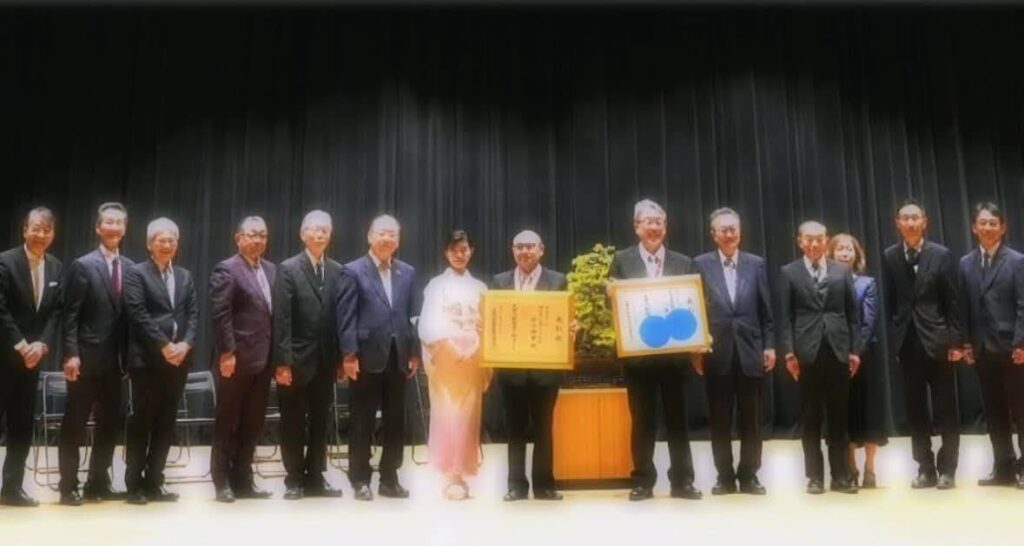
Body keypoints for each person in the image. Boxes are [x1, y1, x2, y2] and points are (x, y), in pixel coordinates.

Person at [607, 199, 702, 501]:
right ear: (636, 227)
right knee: (642, 421)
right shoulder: (621, 261)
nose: (653, 228)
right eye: (647, 222)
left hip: (675, 357)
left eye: (658, 222)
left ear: (665, 227)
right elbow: (612, 306)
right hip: (638, 358)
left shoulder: (683, 262)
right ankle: (642, 480)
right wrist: (610, 293)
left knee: (678, 420)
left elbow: (696, 305)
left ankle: (682, 481)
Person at [338, 214, 422, 501]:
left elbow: (412, 316)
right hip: (365, 356)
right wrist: (348, 354)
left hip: (398, 357)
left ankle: (390, 478)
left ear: (398, 240)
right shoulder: (352, 271)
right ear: (370, 237)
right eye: (382, 233)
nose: (387, 239)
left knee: (396, 420)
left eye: (392, 234)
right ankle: (360, 479)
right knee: (362, 420)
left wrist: (414, 352)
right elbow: (346, 317)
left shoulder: (407, 272)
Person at [881, 199, 962, 490]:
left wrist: (955, 341)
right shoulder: (890, 256)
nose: (911, 223)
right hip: (908, 343)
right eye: (905, 218)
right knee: (915, 410)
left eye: (915, 218)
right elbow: (890, 302)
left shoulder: (941, 254)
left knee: (945, 408)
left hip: (938, 341)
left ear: (924, 222)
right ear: (897, 223)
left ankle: (948, 469)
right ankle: (925, 467)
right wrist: (895, 340)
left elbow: (953, 302)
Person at [694, 208, 774, 496]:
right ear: (713, 234)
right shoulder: (700, 264)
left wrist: (770, 345)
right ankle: (724, 477)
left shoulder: (756, 264)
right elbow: (695, 309)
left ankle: (750, 475)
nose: (729, 234)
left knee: (752, 419)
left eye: (733, 229)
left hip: (751, 350)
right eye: (723, 230)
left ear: (739, 232)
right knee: (719, 419)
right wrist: (696, 349)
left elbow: (766, 310)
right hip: (716, 352)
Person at [778, 221, 861, 495]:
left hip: (838, 350)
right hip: (806, 352)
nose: (814, 244)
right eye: (808, 239)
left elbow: (852, 314)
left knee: (839, 417)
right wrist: (789, 352)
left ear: (827, 241)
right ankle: (814, 476)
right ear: (800, 241)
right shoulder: (789, 272)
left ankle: (841, 476)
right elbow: (785, 317)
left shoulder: (842, 270)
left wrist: (854, 350)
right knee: (811, 418)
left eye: (819, 239)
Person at [59, 202, 133, 506]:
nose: (114, 227)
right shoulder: (83, 265)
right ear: (98, 228)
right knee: (75, 425)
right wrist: (71, 354)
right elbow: (70, 315)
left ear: (125, 229)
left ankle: (98, 482)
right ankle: (68, 486)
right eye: (109, 222)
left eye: (119, 222)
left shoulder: (131, 267)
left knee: (110, 426)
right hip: (86, 360)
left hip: (117, 363)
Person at [123, 217, 198, 505]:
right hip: (147, 361)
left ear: (177, 244)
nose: (166, 245)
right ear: (149, 244)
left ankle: (155, 481)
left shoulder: (185, 275)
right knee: (142, 422)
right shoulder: (136, 273)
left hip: (178, 361)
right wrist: (164, 346)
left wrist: (185, 344)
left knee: (167, 423)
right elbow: (138, 314)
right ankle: (134, 485)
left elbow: (193, 315)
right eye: (161, 240)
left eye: (171, 240)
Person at [271, 210, 344, 500]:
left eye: (325, 230)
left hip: (326, 360)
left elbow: (339, 318)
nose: (320, 234)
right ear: (303, 234)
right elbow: (282, 320)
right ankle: (293, 479)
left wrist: (341, 359)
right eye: (315, 229)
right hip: (296, 361)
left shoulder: (337, 270)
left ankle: (315, 477)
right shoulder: (288, 268)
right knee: (292, 422)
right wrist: (282, 363)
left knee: (320, 422)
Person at [492, 230, 568, 502]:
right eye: (520, 247)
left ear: (541, 249)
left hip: (546, 371)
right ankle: (516, 485)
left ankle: (545, 485)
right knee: (514, 430)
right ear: (513, 251)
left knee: (544, 428)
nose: (525, 252)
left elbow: (564, 320)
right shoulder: (500, 282)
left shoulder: (558, 281)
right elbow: (495, 321)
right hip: (511, 371)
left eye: (530, 246)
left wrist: (572, 328)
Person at [418, 230, 491, 500]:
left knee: (468, 417)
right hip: (446, 358)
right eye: (454, 250)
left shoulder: (480, 287)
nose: (459, 255)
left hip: (473, 358)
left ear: (471, 251)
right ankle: (449, 474)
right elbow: (429, 323)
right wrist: (451, 348)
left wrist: (475, 348)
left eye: (464, 249)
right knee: (447, 415)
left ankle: (462, 472)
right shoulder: (436, 285)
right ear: (446, 252)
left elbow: (487, 325)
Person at [209, 216, 277, 502]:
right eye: (251, 235)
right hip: (235, 359)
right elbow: (221, 314)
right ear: (238, 238)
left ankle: (244, 479)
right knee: (227, 421)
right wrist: (227, 353)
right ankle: (221, 480)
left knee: (253, 422)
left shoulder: (271, 269)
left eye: (262, 235)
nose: (257, 240)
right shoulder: (227, 269)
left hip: (264, 359)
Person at [958, 202, 1024, 489]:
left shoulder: (1017, 261)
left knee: (1021, 410)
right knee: (994, 411)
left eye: (993, 223)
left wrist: (1022, 342)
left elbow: (1023, 305)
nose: (987, 228)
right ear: (974, 228)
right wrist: (966, 342)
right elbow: (964, 306)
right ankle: (1003, 467)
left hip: (1012, 348)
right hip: (982, 348)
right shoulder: (965, 263)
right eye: (982, 223)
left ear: (1003, 227)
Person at [0, 207, 62, 507]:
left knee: (21, 426)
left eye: (46, 230)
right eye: (35, 228)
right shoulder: (5, 261)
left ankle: (11, 489)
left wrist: (42, 345)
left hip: (31, 363)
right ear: (25, 230)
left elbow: (55, 312)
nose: (41, 234)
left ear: (53, 235)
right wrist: (22, 345)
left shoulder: (56, 267)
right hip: (4, 356)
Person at [828, 233, 888, 489]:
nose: (844, 253)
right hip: (837, 355)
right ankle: (851, 467)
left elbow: (868, 321)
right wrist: (842, 352)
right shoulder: (826, 282)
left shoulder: (867, 283)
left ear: (856, 254)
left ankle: (870, 468)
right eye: (839, 249)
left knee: (870, 412)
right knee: (847, 413)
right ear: (831, 253)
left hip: (865, 355)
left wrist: (856, 352)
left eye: (849, 249)